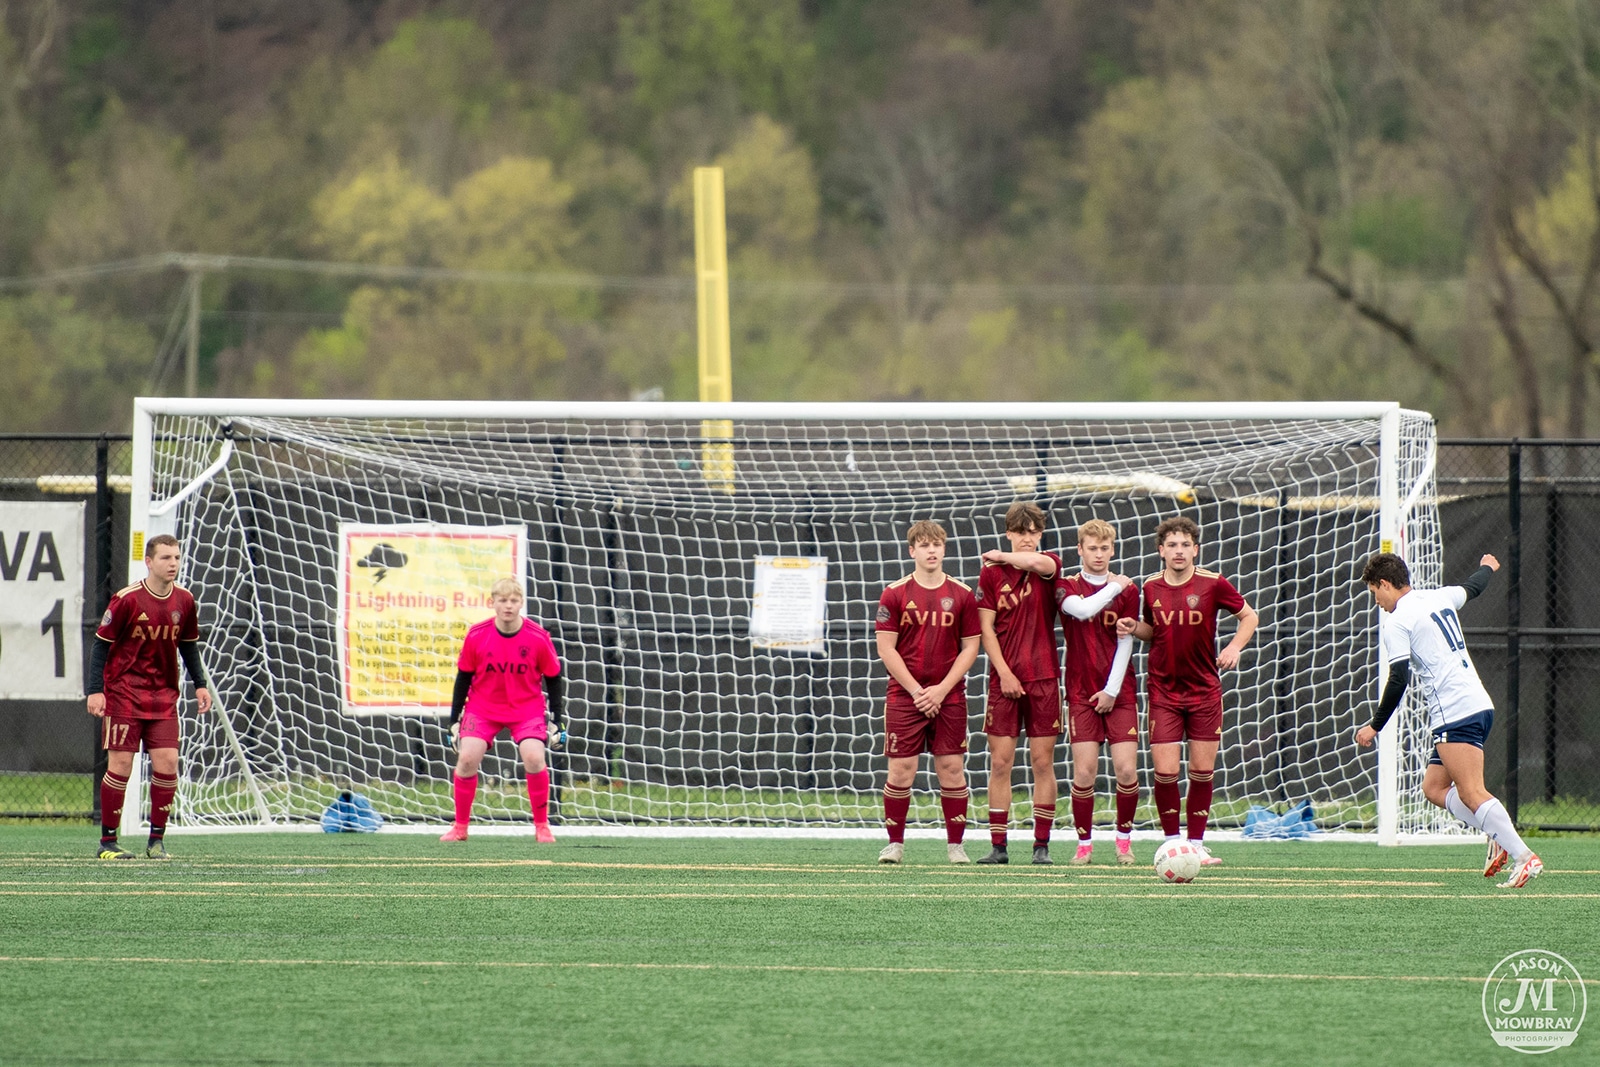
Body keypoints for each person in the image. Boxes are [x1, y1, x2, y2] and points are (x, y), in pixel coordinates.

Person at [1355, 552, 1541, 888]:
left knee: (1472, 793)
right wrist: (1487, 566)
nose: (1377, 601)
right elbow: (1473, 587)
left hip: (1456, 711)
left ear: (1385, 584)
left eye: (1374, 592)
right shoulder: (1438, 596)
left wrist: (1374, 725)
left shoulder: (1397, 621)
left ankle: (1525, 857)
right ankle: (1496, 832)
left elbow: (1398, 679)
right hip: (1475, 704)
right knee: (1434, 788)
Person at [1118, 516, 1257, 866]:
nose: (1179, 551)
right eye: (1172, 545)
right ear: (1161, 550)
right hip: (1164, 691)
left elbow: (1249, 617)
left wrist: (1234, 648)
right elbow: (1154, 632)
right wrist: (1135, 627)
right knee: (1165, 772)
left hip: (1204, 692)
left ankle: (1195, 844)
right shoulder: (1150, 587)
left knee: (1201, 770)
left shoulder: (1213, 583)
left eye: (1185, 545)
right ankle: (1171, 844)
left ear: (1195, 549)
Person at [86, 534, 212, 860]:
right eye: (166, 558)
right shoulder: (127, 600)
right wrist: (95, 691)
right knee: (122, 765)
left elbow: (188, 645)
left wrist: (200, 683)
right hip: (124, 694)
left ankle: (156, 841)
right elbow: (101, 645)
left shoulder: (184, 600)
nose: (173, 564)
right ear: (149, 561)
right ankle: (108, 842)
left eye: (176, 558)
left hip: (163, 697)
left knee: (168, 764)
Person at [874, 521, 982, 864]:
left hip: (948, 696)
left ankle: (955, 846)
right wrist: (919, 691)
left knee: (951, 768)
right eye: (923, 545)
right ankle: (895, 844)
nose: (931, 550)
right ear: (912, 551)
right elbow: (886, 649)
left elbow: (970, 648)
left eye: (936, 544)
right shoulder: (895, 593)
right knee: (901, 770)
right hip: (906, 696)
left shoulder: (963, 594)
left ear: (944, 549)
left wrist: (941, 690)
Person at [441, 578, 565, 843]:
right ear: (492, 602)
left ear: (521, 603)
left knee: (534, 758)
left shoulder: (538, 637)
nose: (508, 606)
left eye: (514, 600)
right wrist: (454, 721)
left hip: (526, 709)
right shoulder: (477, 635)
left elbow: (554, 677)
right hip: (482, 708)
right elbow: (463, 677)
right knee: (466, 760)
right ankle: (460, 827)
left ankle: (542, 826)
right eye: (503, 600)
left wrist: (558, 720)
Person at [973, 502, 1063, 865]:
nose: (1027, 539)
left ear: (1039, 535)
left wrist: (1001, 554)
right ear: (1010, 532)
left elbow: (1038, 563)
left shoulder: (1048, 564)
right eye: (1020, 532)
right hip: (1003, 680)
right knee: (1000, 762)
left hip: (1043, 677)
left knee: (1043, 762)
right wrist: (1004, 671)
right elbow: (985, 628)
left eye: (1032, 532)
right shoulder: (991, 576)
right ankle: (999, 846)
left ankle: (1041, 846)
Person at [1055, 519, 1140, 866]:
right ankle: (1084, 845)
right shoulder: (1066, 586)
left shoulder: (1129, 591)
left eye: (1105, 548)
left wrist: (1111, 690)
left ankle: (1123, 843)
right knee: (1084, 773)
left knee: (1126, 772)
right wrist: (1115, 588)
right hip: (1079, 693)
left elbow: (1126, 641)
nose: (1099, 554)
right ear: (1080, 549)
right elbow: (1084, 610)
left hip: (1118, 693)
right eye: (1093, 548)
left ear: (1113, 549)